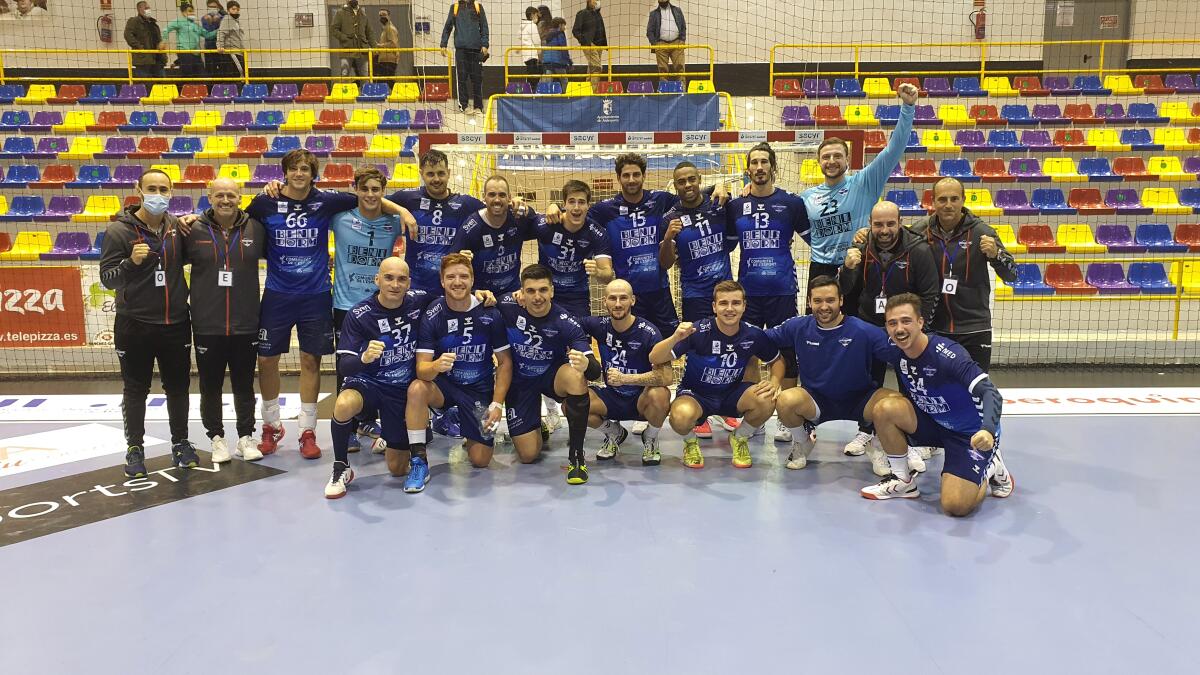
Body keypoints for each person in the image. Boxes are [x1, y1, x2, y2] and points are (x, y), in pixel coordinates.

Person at [248, 150, 416, 460]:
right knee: (267, 360)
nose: (299, 174)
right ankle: (271, 425)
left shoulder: (327, 202)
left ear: (313, 174)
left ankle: (308, 430)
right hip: (277, 293)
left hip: (316, 296)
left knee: (312, 361)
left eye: (305, 169)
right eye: (294, 169)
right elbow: (232, 220)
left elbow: (371, 199)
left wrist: (403, 212)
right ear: (284, 172)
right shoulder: (264, 202)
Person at [861, 294, 1014, 516]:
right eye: (892, 323)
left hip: (970, 435)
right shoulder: (895, 349)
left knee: (955, 506)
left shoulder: (947, 355)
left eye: (906, 321)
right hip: (934, 423)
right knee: (885, 408)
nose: (899, 329)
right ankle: (902, 481)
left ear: (921, 323)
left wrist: (988, 430)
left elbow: (991, 393)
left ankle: (991, 466)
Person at [99, 169, 197, 478]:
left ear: (171, 192)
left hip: (176, 323)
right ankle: (134, 448)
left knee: (178, 388)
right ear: (139, 189)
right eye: (151, 188)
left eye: (163, 189)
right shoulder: (118, 231)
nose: (157, 194)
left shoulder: (178, 228)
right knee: (135, 389)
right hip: (134, 325)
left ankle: (180, 443)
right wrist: (131, 262)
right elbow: (106, 279)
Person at [766, 276, 900, 475]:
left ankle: (877, 445)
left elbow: (903, 353)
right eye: (818, 301)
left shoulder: (864, 331)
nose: (824, 306)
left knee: (896, 404)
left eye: (830, 300)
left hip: (860, 401)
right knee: (785, 400)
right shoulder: (798, 327)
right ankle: (803, 442)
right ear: (809, 302)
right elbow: (758, 339)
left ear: (841, 301)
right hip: (817, 401)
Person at [327, 257, 434, 498]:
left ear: (409, 283)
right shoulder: (359, 314)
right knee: (344, 404)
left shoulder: (419, 300)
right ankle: (341, 467)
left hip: (401, 391)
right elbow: (345, 365)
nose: (395, 284)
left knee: (396, 469)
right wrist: (364, 358)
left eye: (401, 279)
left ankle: (391, 437)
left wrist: (479, 295)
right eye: (388, 278)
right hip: (369, 383)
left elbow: (452, 298)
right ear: (377, 280)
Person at [405, 254, 513, 491]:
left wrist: (496, 404)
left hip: (478, 388)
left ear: (473, 279)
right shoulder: (432, 314)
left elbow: (504, 362)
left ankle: (456, 419)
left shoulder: (490, 313)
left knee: (480, 461)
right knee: (416, 389)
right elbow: (421, 369)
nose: (457, 282)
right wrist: (435, 366)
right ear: (442, 281)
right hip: (445, 387)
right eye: (450, 276)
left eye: (463, 276)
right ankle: (418, 460)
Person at [650, 281, 783, 470]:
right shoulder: (697, 330)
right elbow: (654, 357)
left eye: (736, 303)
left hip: (733, 393)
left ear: (744, 306)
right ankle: (690, 443)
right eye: (723, 303)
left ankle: (739, 438)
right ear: (714, 306)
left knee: (768, 398)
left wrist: (775, 381)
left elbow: (777, 360)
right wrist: (674, 338)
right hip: (696, 395)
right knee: (680, 417)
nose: (730, 309)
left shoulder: (753, 334)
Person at [181, 178, 266, 464]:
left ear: (240, 197)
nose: (225, 200)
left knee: (244, 384)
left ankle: (245, 437)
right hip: (207, 324)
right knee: (210, 385)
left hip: (246, 322)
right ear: (209, 197)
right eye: (219, 195)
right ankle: (216, 439)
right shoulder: (191, 229)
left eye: (231, 195)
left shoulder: (256, 228)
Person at [497, 266, 598, 484]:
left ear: (552, 291)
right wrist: (481, 294)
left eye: (543, 290)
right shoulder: (507, 304)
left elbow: (595, 371)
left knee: (575, 376)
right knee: (528, 455)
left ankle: (577, 456)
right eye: (530, 291)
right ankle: (535, 424)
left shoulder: (565, 321)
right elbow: (479, 304)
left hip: (550, 376)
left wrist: (584, 364)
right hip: (520, 381)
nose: (537, 297)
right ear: (521, 292)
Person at [661, 160, 739, 436]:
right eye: (681, 181)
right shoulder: (670, 216)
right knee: (697, 350)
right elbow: (666, 263)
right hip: (693, 292)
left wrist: (722, 185)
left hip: (724, 292)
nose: (687, 185)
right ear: (675, 185)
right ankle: (700, 410)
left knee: (730, 348)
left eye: (691, 179)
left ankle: (727, 407)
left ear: (699, 179)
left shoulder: (719, 203)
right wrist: (668, 239)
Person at [908, 177, 1019, 371]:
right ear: (933, 201)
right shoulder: (919, 231)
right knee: (938, 388)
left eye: (954, 199)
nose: (948, 205)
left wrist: (996, 254)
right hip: (935, 327)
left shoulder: (982, 232)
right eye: (942, 199)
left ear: (963, 199)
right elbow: (890, 243)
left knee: (975, 389)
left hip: (974, 327)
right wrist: (864, 236)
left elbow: (1012, 275)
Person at [581, 279, 672, 466]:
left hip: (641, 400)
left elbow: (667, 376)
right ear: (604, 301)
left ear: (633, 300)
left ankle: (651, 437)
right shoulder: (598, 325)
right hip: (612, 397)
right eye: (612, 298)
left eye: (623, 298)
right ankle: (613, 432)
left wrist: (626, 379)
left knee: (661, 394)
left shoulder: (648, 332)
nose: (617, 303)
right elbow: (566, 324)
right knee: (572, 404)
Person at [389, 149, 486, 297]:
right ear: (421, 173)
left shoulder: (465, 203)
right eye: (430, 174)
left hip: (450, 288)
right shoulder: (409, 198)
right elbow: (377, 201)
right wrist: (401, 210)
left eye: (441, 173)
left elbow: (496, 210)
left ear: (449, 172)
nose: (436, 179)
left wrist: (515, 202)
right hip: (414, 288)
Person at [534, 179, 613, 317]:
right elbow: (519, 224)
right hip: (545, 292)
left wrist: (598, 272)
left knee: (580, 337)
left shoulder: (596, 233)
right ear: (564, 204)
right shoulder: (546, 225)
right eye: (571, 201)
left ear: (588, 206)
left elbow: (607, 276)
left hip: (577, 296)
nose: (576, 207)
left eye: (581, 202)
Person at [451, 175, 538, 297]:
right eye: (492, 195)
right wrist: (460, 260)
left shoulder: (517, 217)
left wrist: (528, 207)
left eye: (502, 195)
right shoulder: (471, 226)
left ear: (509, 198)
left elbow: (540, 221)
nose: (497, 200)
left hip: (512, 293)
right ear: (484, 197)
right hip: (482, 295)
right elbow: (451, 263)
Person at [441, 0, 490, 114]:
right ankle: (464, 106)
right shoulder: (455, 7)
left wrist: (485, 44)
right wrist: (443, 44)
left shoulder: (478, 7)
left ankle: (478, 107)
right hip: (461, 50)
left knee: (477, 79)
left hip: (476, 50)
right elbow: (448, 27)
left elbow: (484, 26)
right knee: (461, 79)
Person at [162, 4, 214, 78]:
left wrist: (220, 30)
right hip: (185, 53)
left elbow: (208, 35)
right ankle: (183, 89)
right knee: (188, 76)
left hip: (196, 54)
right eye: (189, 11)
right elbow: (165, 29)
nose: (192, 13)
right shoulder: (179, 21)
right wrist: (164, 41)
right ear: (183, 12)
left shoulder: (196, 25)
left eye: (193, 11)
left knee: (202, 76)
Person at [332, 0, 374, 83]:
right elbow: (334, 29)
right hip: (346, 50)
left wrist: (374, 47)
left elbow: (369, 32)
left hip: (362, 51)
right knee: (344, 74)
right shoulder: (340, 13)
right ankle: (344, 95)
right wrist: (345, 38)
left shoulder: (363, 14)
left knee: (365, 76)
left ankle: (365, 95)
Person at [125, 2, 167, 79]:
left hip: (158, 59)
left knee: (162, 84)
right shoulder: (134, 21)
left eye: (149, 8)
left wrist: (162, 45)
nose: (148, 10)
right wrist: (140, 47)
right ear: (139, 9)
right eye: (146, 8)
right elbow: (128, 35)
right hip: (143, 60)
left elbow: (158, 38)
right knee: (146, 85)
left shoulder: (153, 23)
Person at [646, 0, 686, 82]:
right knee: (663, 70)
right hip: (661, 44)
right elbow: (649, 31)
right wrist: (655, 44)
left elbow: (683, 26)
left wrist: (682, 40)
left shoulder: (677, 10)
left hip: (677, 43)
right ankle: (664, 93)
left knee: (680, 68)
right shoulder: (653, 14)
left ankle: (682, 91)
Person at [572, 0, 607, 87]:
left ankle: (587, 89)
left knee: (591, 68)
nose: (596, 2)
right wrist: (586, 42)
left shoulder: (598, 14)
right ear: (589, 1)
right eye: (594, 0)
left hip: (599, 46)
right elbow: (575, 30)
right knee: (597, 67)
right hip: (589, 45)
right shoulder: (582, 13)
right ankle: (593, 91)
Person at [540, 17, 571, 90]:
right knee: (564, 80)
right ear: (560, 25)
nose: (565, 28)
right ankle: (564, 96)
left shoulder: (548, 34)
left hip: (547, 61)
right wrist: (569, 61)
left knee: (548, 80)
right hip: (558, 61)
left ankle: (548, 96)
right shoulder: (560, 34)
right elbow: (563, 49)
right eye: (564, 25)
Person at [215, 1, 244, 77]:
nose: (236, 11)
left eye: (237, 9)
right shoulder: (227, 19)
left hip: (238, 51)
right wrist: (220, 46)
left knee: (240, 74)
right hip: (232, 52)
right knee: (238, 74)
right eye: (233, 9)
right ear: (228, 10)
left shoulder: (236, 21)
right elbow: (221, 33)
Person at [519, 7, 542, 89]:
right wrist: (539, 53)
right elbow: (537, 41)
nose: (538, 17)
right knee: (534, 77)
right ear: (532, 15)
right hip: (532, 55)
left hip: (526, 55)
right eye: (536, 15)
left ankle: (529, 91)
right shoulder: (532, 25)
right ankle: (532, 93)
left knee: (530, 75)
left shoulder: (522, 26)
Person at [375, 8, 401, 79]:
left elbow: (393, 44)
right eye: (380, 15)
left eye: (384, 15)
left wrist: (379, 46)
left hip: (389, 59)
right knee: (385, 81)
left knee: (388, 80)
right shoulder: (385, 29)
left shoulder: (390, 29)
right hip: (384, 59)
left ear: (389, 16)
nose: (382, 17)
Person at [200, 1, 224, 75]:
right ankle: (211, 86)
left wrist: (219, 20)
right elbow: (208, 34)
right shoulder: (204, 18)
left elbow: (225, 31)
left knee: (223, 69)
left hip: (221, 46)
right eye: (210, 7)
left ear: (218, 7)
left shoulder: (223, 17)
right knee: (210, 69)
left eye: (214, 7)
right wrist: (211, 23)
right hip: (209, 47)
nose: (212, 9)